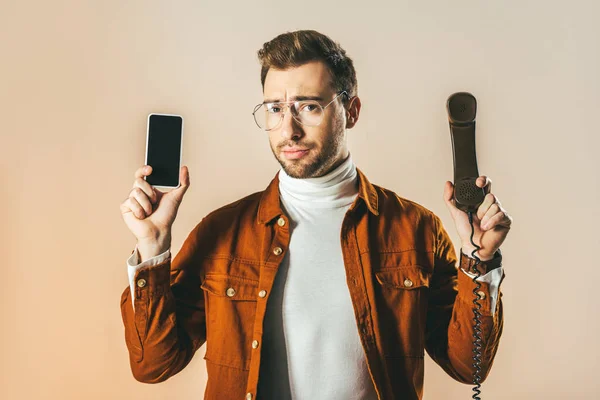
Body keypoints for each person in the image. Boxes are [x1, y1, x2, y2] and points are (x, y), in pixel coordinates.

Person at [119, 29, 512, 400]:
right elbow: (154, 364)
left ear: (351, 111)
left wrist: (480, 260)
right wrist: (151, 247)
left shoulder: (415, 230)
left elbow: (467, 366)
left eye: (308, 106)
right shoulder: (222, 233)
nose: (289, 129)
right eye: (275, 108)